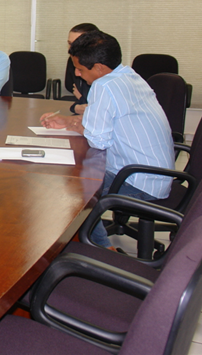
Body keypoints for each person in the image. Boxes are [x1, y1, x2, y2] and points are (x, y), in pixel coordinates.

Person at [40, 30, 174, 248]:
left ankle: (101, 252)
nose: (77, 73)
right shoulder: (127, 75)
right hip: (155, 173)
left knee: (73, 195)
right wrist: (68, 122)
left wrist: (74, 125)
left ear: (99, 68)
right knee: (76, 180)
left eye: (80, 69)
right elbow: (101, 123)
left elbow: (98, 140)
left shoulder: (104, 86)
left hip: (138, 180)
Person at [65, 23, 99, 115]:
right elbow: (79, 105)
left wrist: (81, 98)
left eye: (76, 44)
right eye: (69, 44)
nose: (71, 49)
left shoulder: (102, 67)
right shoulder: (74, 61)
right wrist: (79, 103)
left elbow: (96, 107)